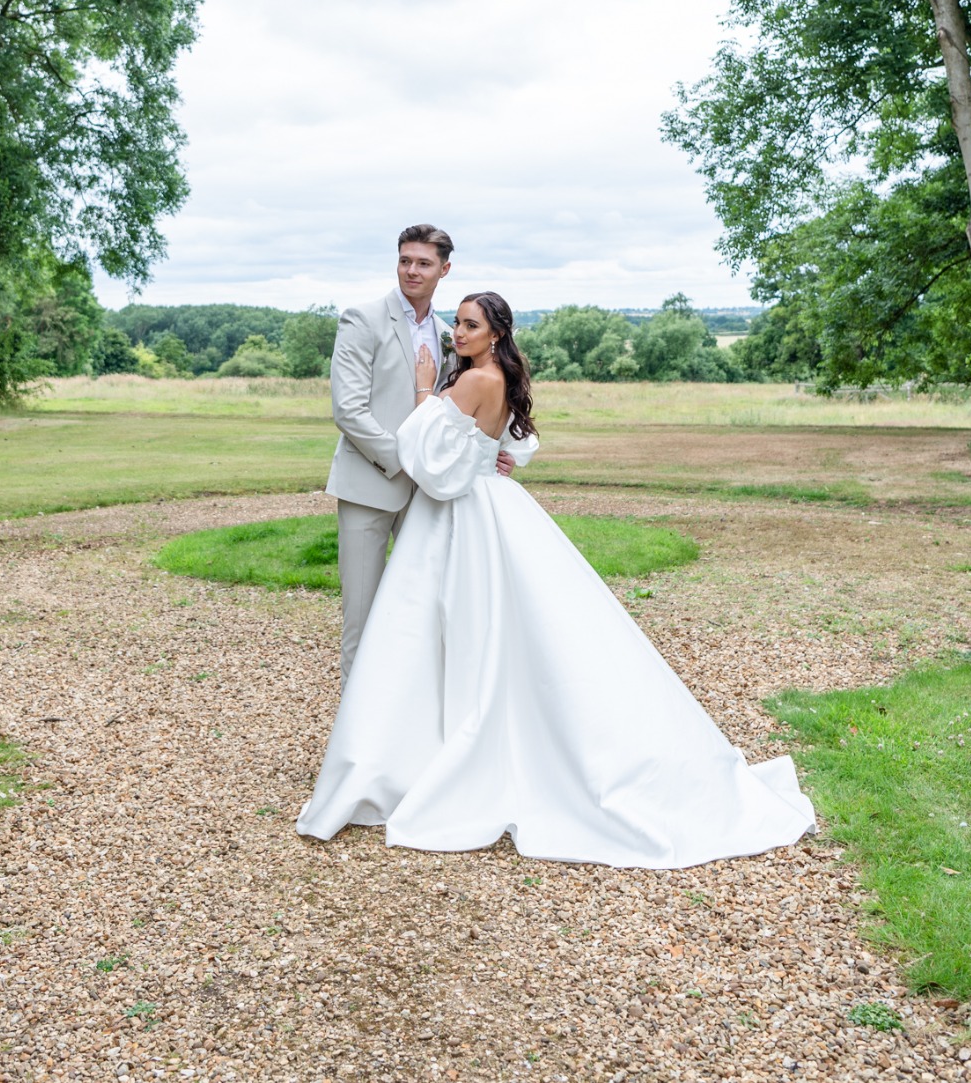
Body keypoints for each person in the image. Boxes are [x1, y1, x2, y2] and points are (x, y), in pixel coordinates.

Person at [298, 290, 815, 869]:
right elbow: (516, 443)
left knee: (435, 633)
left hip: (456, 516)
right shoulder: (501, 378)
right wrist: (492, 453)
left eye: (470, 327)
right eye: (458, 326)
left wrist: (425, 390)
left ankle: (423, 754)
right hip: (496, 503)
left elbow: (431, 468)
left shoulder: (470, 382)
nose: (458, 336)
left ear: (495, 333)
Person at [326, 225, 516, 688]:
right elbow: (348, 411)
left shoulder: (452, 333)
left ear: (444, 270)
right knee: (364, 619)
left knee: (423, 616)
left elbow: (466, 412)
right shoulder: (363, 319)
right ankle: (357, 748)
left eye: (424, 263)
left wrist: (490, 453)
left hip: (434, 498)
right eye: (405, 260)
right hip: (370, 487)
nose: (412, 270)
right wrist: (409, 460)